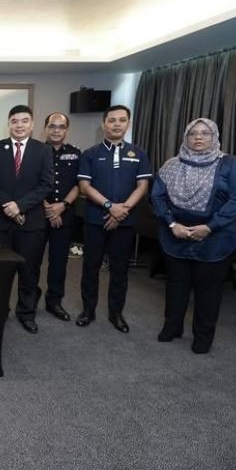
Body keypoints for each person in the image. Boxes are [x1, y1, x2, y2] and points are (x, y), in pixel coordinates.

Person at [151, 118, 236, 354]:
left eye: (205, 133)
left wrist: (210, 226)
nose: (198, 137)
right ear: (185, 137)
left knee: (208, 290)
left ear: (214, 137)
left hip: (214, 239)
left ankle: (203, 337)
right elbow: (157, 197)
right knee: (176, 285)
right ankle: (172, 327)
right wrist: (172, 223)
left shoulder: (230, 164)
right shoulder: (171, 165)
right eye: (192, 133)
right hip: (175, 235)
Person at [76, 105, 152, 332]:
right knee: (90, 267)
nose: (116, 124)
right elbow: (84, 186)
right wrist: (110, 206)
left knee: (120, 269)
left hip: (125, 222)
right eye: (112, 120)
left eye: (121, 120)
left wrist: (123, 210)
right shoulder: (90, 153)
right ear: (104, 124)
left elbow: (143, 186)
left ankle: (116, 313)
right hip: (94, 220)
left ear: (128, 124)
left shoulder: (138, 153)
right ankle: (88, 310)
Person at [0, 104, 53, 334]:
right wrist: (8, 206)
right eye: (14, 121)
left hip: (31, 222)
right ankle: (0, 310)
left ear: (32, 124)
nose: (19, 125)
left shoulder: (43, 150)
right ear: (9, 124)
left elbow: (46, 184)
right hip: (0, 222)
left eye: (24, 121)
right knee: (0, 270)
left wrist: (20, 206)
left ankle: (26, 313)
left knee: (29, 270)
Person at [39, 112, 81, 322]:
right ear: (45, 128)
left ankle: (54, 301)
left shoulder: (75, 153)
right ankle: (28, 300)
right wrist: (48, 208)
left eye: (61, 127)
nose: (56, 130)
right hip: (37, 214)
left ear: (67, 130)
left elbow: (79, 185)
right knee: (32, 261)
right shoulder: (35, 151)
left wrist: (61, 206)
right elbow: (30, 183)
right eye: (52, 126)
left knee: (59, 262)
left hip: (64, 215)